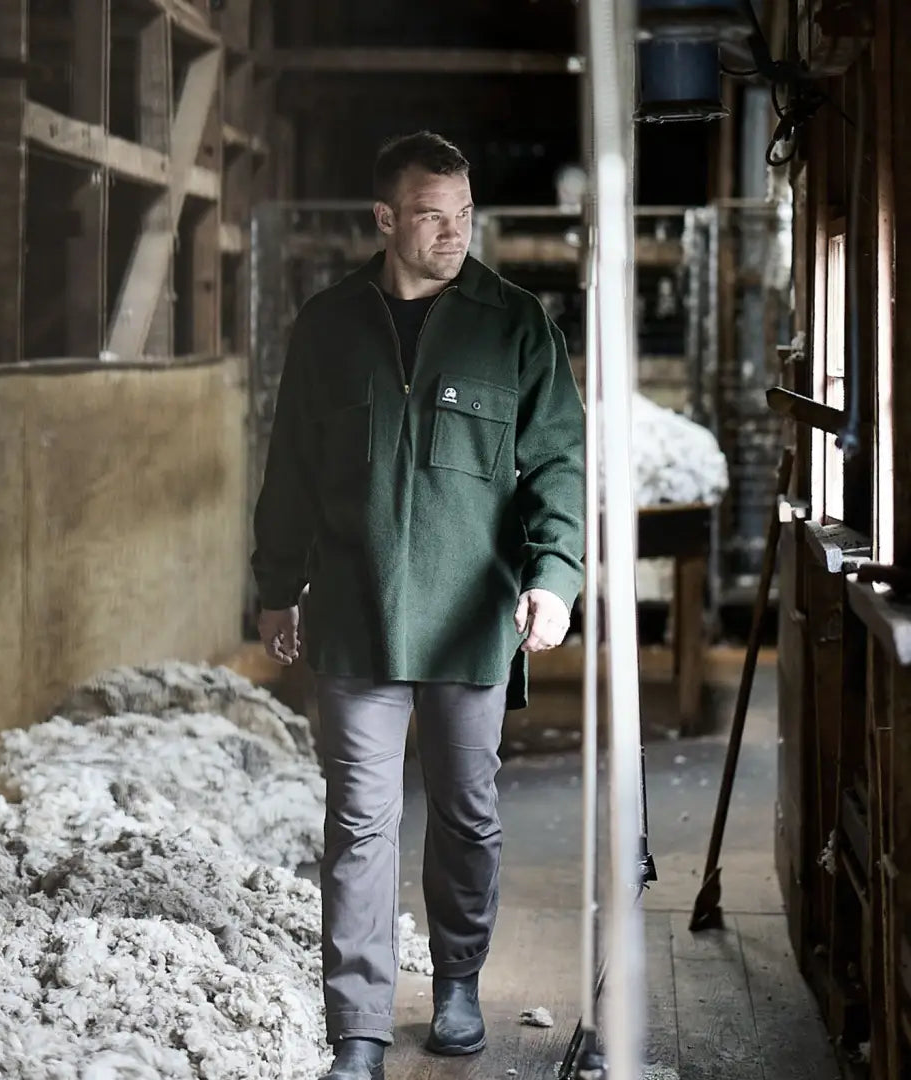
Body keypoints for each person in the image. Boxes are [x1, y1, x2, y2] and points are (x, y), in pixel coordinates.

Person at [251, 131, 585, 1080]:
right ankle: (356, 1024)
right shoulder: (327, 326)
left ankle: (456, 984)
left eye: (464, 213)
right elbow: (291, 472)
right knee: (358, 821)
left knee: (467, 813)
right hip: (355, 614)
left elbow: (559, 460)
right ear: (386, 220)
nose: (452, 233)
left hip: (473, 616)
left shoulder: (514, 324)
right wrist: (276, 588)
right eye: (432, 216)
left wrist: (555, 576)